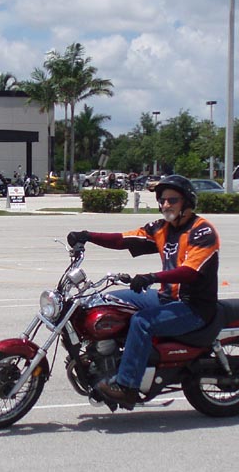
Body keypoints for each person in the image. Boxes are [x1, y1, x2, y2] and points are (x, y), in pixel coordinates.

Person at [66, 174, 220, 408]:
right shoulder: (162, 228)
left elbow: (191, 272)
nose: (165, 205)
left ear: (187, 202)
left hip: (194, 307)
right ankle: (105, 358)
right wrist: (88, 236)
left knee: (142, 322)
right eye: (162, 200)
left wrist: (152, 277)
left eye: (172, 200)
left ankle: (127, 387)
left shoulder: (202, 232)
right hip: (165, 298)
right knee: (106, 301)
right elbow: (123, 240)